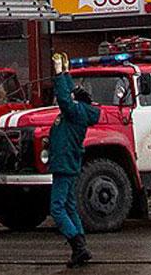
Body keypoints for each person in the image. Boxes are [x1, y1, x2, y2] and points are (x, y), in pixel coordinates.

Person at [48, 53, 100, 268]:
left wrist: (59, 74)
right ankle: (81, 247)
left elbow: (63, 98)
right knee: (69, 206)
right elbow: (67, 96)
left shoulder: (75, 112)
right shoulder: (79, 112)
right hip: (68, 163)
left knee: (57, 208)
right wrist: (66, 72)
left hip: (64, 165)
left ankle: (78, 246)